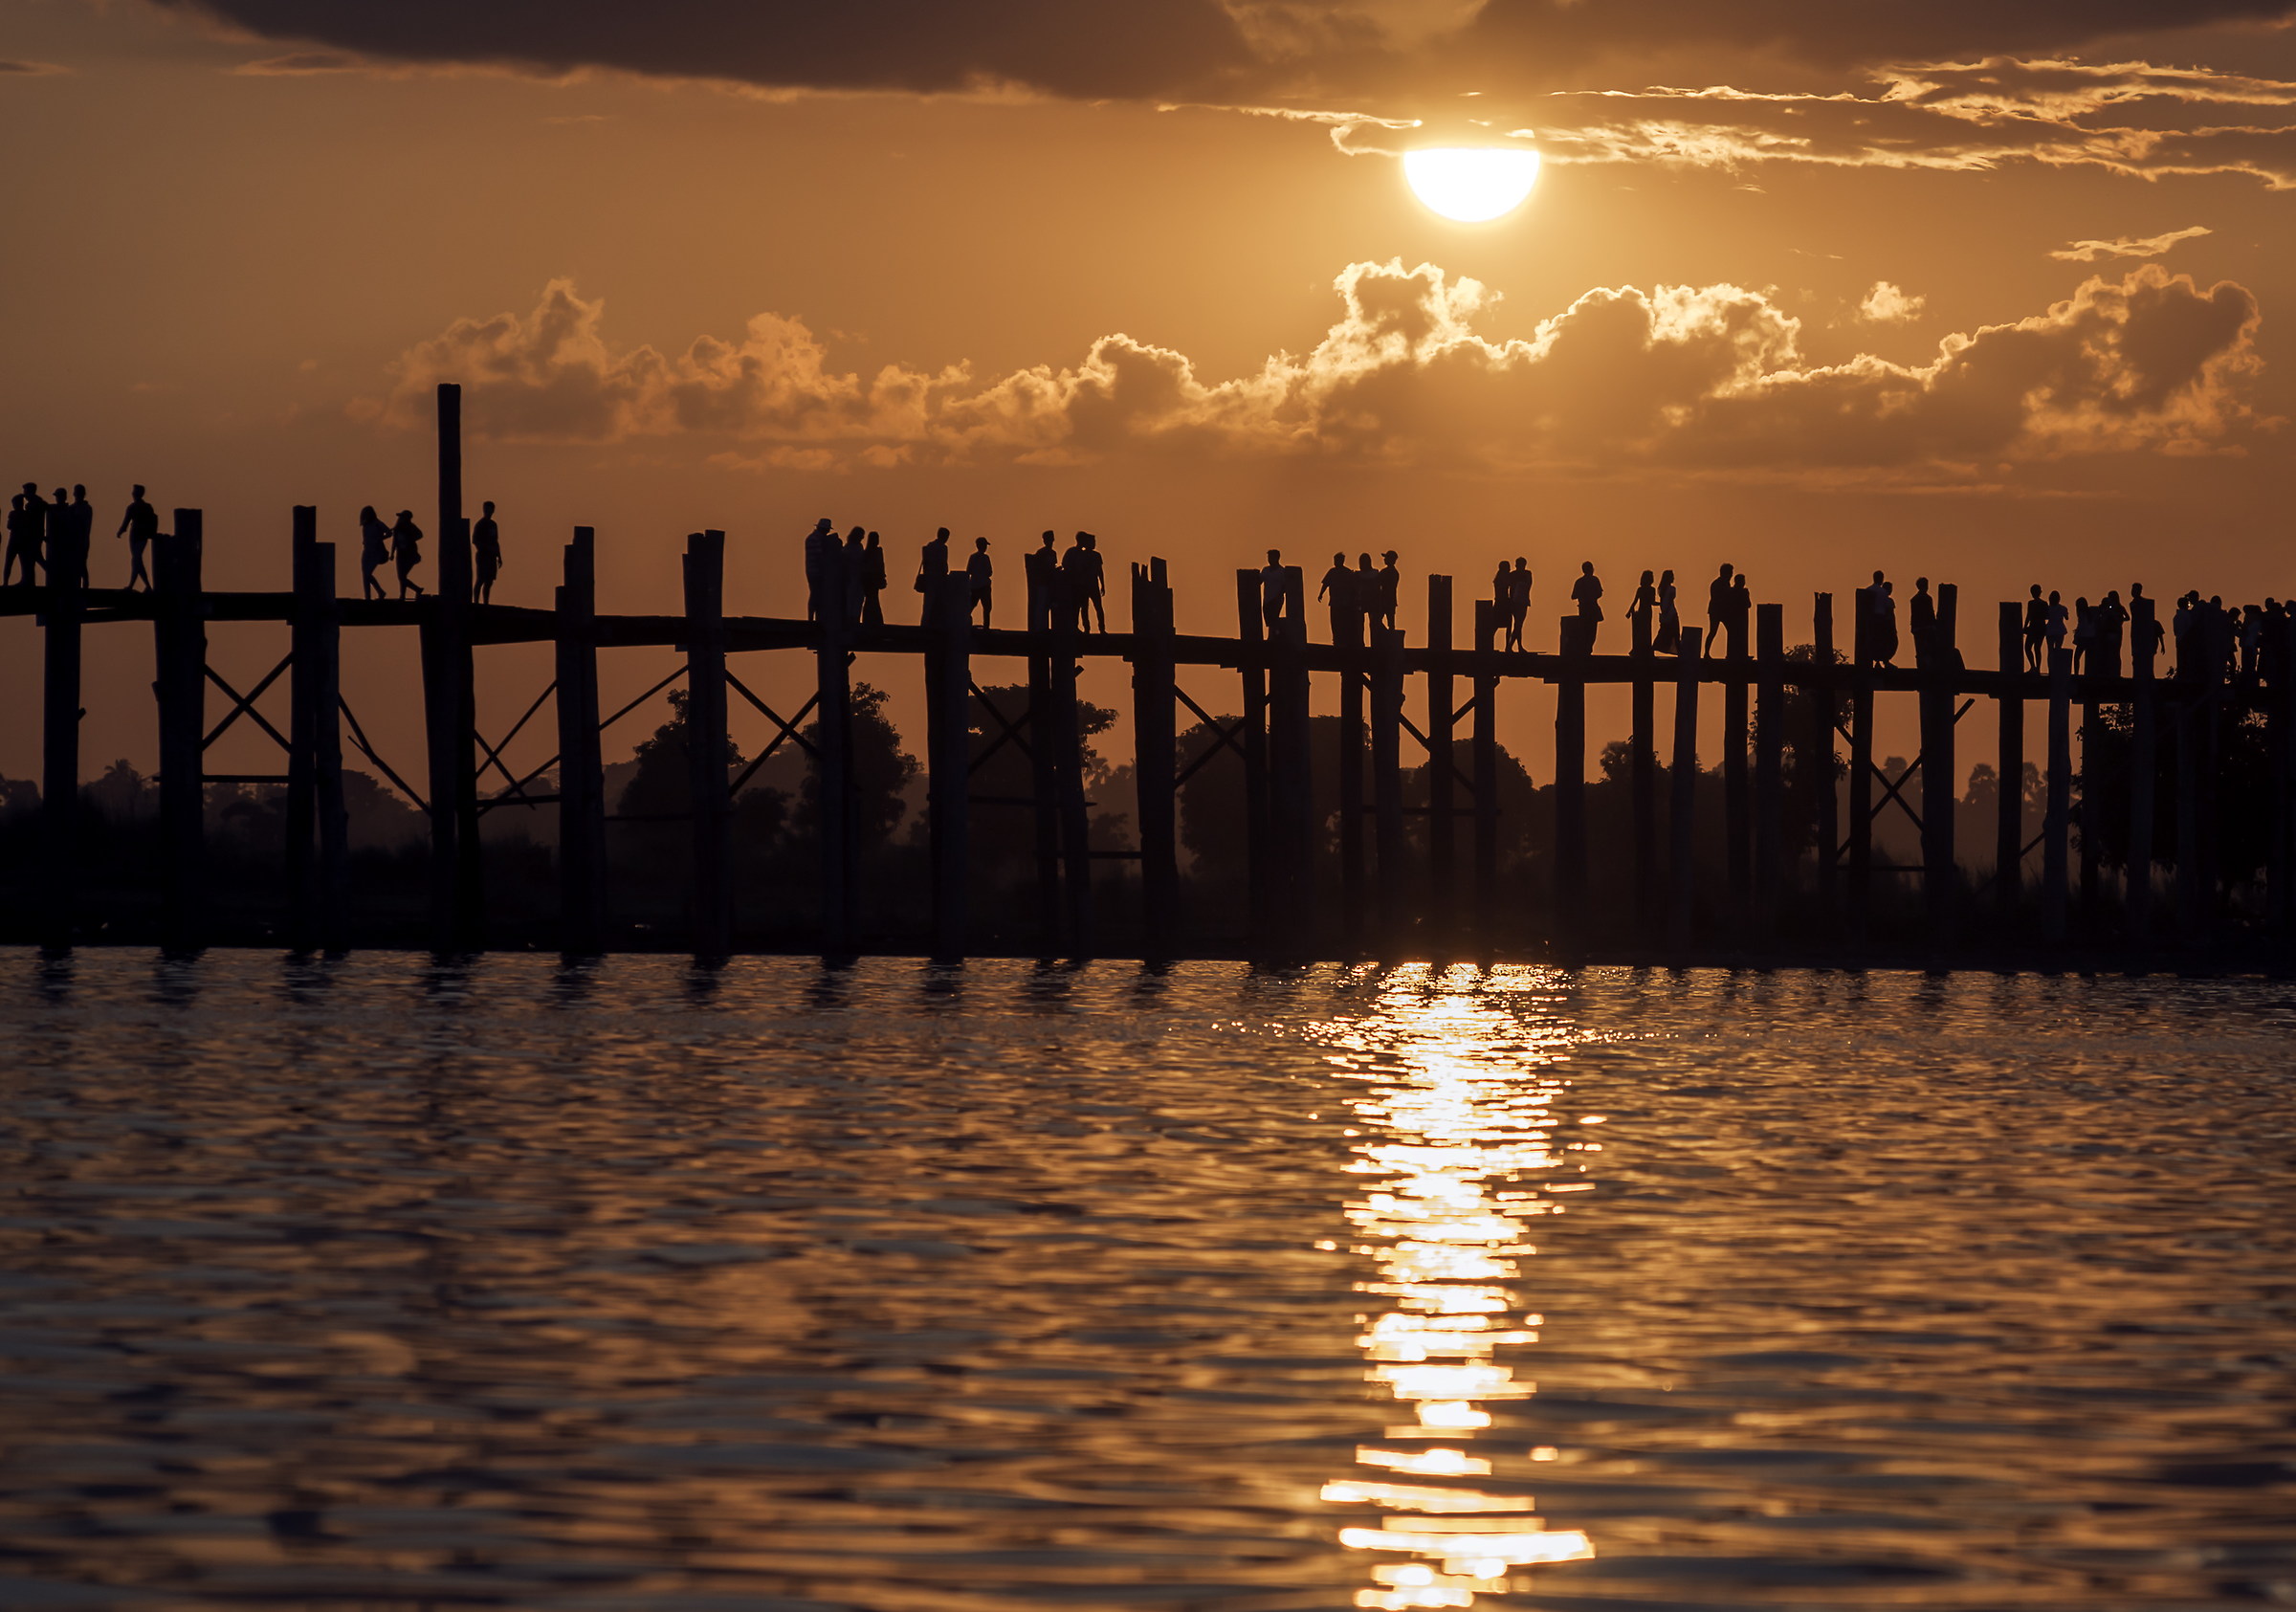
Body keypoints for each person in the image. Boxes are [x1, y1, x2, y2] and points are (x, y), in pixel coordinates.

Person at [116, 483, 158, 591]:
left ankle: (147, 585)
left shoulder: (133, 507)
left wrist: (120, 531)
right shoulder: (147, 507)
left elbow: (125, 523)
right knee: (136, 560)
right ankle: (133, 585)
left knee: (136, 559)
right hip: (141, 536)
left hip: (136, 535)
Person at [1058, 532, 1095, 632]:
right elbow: (1065, 564)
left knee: (1084, 607)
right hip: (1074, 585)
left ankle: (1086, 628)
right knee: (1075, 607)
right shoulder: (1072, 552)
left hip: (1083, 584)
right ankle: (1074, 627)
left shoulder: (1084, 553)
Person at [4, 490, 39, 586]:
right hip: (19, 541)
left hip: (18, 541)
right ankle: (6, 581)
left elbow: (10, 525)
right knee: (12, 562)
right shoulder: (24, 514)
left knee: (17, 562)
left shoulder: (17, 514)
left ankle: (9, 582)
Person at [915, 527, 951, 622]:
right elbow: (943, 564)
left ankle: (925, 623)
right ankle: (936, 623)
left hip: (929, 577)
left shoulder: (929, 546)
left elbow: (925, 563)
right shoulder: (943, 548)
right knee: (939, 602)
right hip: (938, 578)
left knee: (928, 603)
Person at [802, 518, 834, 622]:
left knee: (816, 594)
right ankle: (812, 618)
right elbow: (820, 557)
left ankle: (813, 617)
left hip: (812, 571)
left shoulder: (812, 538)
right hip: (816, 572)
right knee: (816, 594)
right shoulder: (816, 540)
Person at [1323, 551, 1359, 643]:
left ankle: (1341, 639)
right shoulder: (1333, 572)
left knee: (1342, 622)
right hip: (1335, 602)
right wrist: (1321, 593)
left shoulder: (1347, 573)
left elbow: (1353, 587)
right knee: (1335, 622)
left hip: (1344, 603)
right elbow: (1326, 583)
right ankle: (1336, 639)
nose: (1335, 562)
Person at [471, 499, 502, 604]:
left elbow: (496, 541)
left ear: (493, 510)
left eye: (489, 509)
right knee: (480, 579)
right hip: (483, 556)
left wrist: (499, 556)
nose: (487, 511)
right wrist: (485, 548)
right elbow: (474, 540)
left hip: (492, 557)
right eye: (486, 509)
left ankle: (486, 602)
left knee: (489, 581)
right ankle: (475, 601)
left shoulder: (493, 525)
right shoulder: (480, 524)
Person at [358, 506, 390, 601]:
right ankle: (367, 596)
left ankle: (380, 591)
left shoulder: (377, 523)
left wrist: (380, 539)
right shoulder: (365, 524)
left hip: (376, 551)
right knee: (365, 574)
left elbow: (389, 532)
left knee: (368, 573)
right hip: (367, 550)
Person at [390, 509, 426, 598]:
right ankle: (409, 593)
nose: (400, 519)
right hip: (400, 555)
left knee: (402, 577)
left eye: (402, 517)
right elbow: (394, 542)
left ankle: (409, 593)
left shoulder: (411, 527)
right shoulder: (397, 529)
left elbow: (420, 535)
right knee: (402, 577)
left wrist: (410, 539)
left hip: (410, 555)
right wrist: (392, 554)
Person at [1075, 532, 1106, 632]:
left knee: (1097, 608)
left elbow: (1100, 571)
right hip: (1085, 585)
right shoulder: (1083, 555)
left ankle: (1101, 628)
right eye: (1093, 542)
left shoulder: (1096, 555)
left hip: (1092, 585)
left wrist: (1102, 584)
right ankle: (1087, 628)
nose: (1094, 544)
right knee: (1085, 608)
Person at [2094, 589, 2129, 679]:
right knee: (2109, 652)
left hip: (2115, 631)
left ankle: (2116, 672)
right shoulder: (2109, 608)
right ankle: (2110, 672)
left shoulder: (2119, 608)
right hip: (2109, 631)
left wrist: (2118, 618)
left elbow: (2127, 617)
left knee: (2115, 653)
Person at [1570, 561, 1603, 650]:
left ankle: (1586, 649)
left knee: (1584, 630)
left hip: (1584, 608)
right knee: (1592, 631)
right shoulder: (1595, 580)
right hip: (1592, 608)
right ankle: (1588, 649)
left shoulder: (1579, 581)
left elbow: (1573, 596)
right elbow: (1599, 593)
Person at [1706, 563, 1736, 653]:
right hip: (1716, 611)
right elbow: (1720, 597)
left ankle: (1732, 652)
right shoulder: (1718, 583)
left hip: (1721, 611)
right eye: (1730, 572)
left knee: (1731, 630)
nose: (1731, 575)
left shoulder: (1725, 583)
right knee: (1713, 632)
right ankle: (1706, 652)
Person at [861, 530, 887, 627]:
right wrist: (882, 577)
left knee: (870, 601)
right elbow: (881, 565)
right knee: (874, 600)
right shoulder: (877, 551)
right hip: (873, 579)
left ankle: (868, 620)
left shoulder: (866, 552)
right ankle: (876, 621)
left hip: (868, 580)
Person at [1910, 577, 1936, 667]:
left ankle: (1920, 666)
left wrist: (1912, 627)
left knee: (1919, 650)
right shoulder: (1928, 598)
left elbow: (1913, 615)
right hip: (1927, 627)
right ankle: (1928, 668)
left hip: (1917, 628)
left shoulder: (1914, 599)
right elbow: (1930, 613)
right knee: (1928, 649)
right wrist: (1934, 625)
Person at [1505, 559, 1532, 651]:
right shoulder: (1524, 574)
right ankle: (1512, 646)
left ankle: (1516, 646)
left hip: (1521, 601)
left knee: (1518, 625)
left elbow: (1529, 584)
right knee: (1518, 625)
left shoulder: (1523, 574)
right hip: (1517, 602)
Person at [966, 537, 994, 628]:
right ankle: (986, 626)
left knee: (970, 606)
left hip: (974, 585)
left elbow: (969, 570)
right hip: (984, 586)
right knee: (987, 607)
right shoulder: (986, 558)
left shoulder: (973, 557)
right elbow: (990, 572)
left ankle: (964, 621)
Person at [1260, 548, 1287, 635]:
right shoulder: (1265, 570)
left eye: (1271, 557)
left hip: (1276, 599)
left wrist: (1279, 596)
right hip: (1267, 599)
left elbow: (1285, 586)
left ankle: (1274, 636)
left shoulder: (1282, 571)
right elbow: (1259, 581)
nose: (1269, 560)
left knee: (1274, 619)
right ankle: (1273, 635)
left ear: (1277, 558)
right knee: (1268, 620)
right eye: (1269, 558)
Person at [2021, 585, 2047, 673]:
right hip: (2041, 627)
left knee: (2028, 647)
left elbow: (2029, 616)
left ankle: (2033, 667)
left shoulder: (2031, 603)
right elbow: (2047, 616)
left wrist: (2025, 626)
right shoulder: (2044, 603)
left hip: (2034, 627)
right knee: (2037, 648)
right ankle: (2037, 668)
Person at [1655, 567, 1679, 654]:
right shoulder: (1672, 589)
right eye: (1672, 576)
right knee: (1675, 633)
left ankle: (1654, 647)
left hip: (1665, 615)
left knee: (1663, 633)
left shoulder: (1661, 589)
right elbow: (1669, 602)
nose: (1673, 578)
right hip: (1672, 614)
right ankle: (1680, 652)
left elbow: (1663, 602)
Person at [1376, 551, 1401, 632]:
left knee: (1377, 620)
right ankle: (1388, 635)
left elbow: (1378, 582)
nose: (1384, 559)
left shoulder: (1386, 572)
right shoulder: (1395, 573)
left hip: (1384, 600)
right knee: (1390, 623)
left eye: (1386, 558)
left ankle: (1386, 635)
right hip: (1390, 600)